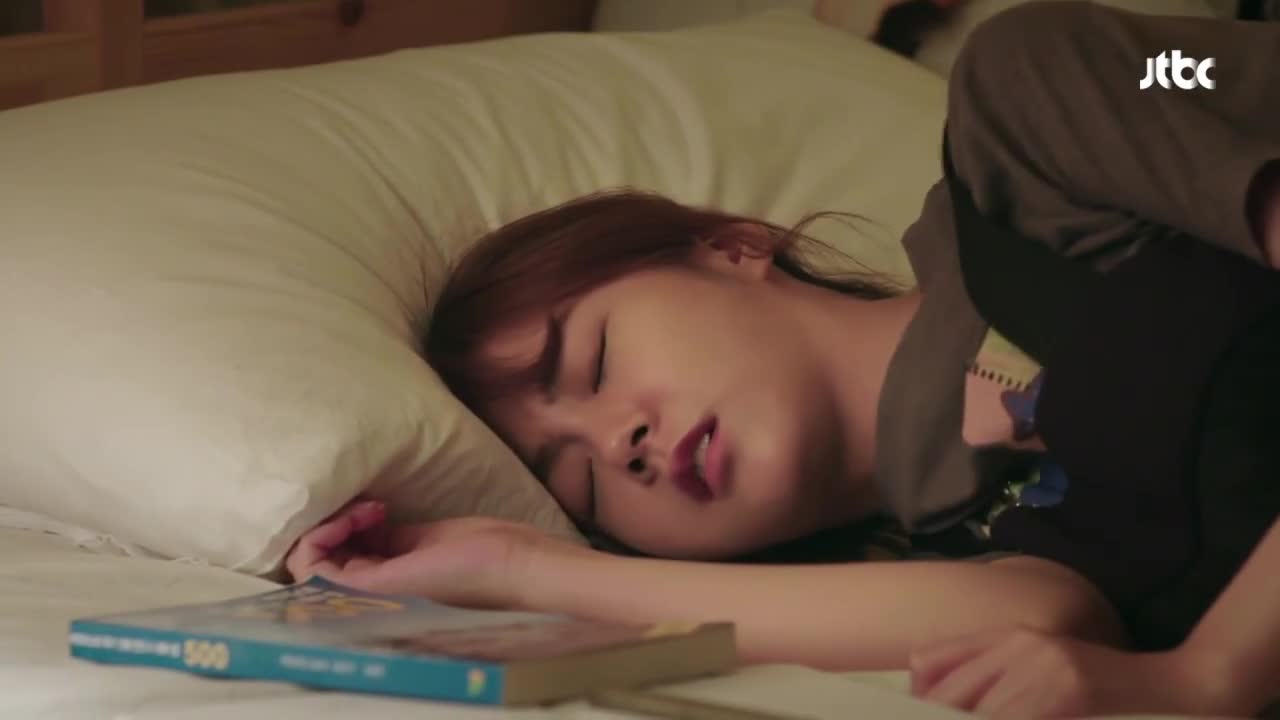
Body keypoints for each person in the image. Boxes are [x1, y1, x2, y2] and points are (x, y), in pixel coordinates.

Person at [285, 3, 1280, 717]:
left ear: (733, 246)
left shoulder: (1026, 122)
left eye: (591, 360)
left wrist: (1210, 674)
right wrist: (519, 571)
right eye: (580, 482)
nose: (619, 443)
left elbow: (1184, 78)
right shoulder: (952, 548)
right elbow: (1037, 613)